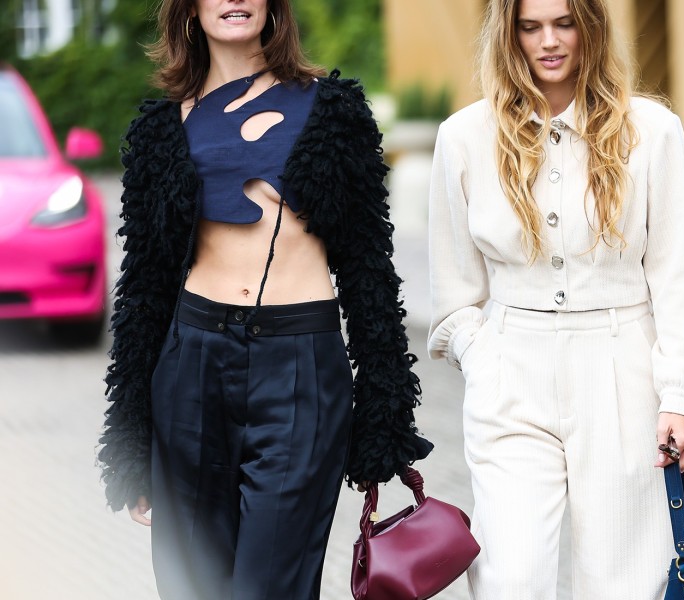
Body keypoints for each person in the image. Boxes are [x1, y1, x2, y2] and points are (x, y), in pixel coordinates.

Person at [95, 0, 433, 597]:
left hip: (301, 367)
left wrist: (386, 416)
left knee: (271, 586)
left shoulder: (333, 109)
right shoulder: (158, 128)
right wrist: (131, 443)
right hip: (191, 365)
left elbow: (368, 269)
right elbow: (143, 290)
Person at [427, 0, 684, 597]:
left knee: (624, 581)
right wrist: (482, 359)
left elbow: (678, 274)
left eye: (564, 24)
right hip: (511, 371)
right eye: (530, 27)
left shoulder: (651, 131)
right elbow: (454, 291)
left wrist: (680, 394)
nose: (549, 42)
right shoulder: (464, 137)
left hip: (621, 369)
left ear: (591, 28)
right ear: (508, 36)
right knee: (509, 577)